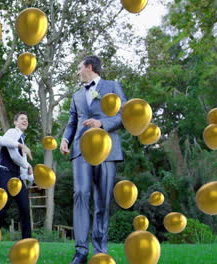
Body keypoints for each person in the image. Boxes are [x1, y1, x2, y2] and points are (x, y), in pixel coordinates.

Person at [60, 55, 127, 264]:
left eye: (79, 68)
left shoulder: (113, 86)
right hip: (81, 150)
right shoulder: (76, 95)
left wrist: (102, 123)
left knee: (102, 200)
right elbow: (72, 122)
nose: (78, 72)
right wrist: (65, 139)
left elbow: (125, 116)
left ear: (89, 67)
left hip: (107, 150)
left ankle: (100, 249)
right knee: (80, 194)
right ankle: (80, 251)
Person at [0, 112, 33, 239]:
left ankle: (27, 242)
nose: (25, 121)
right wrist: (27, 165)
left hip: (16, 177)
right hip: (5, 173)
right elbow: (14, 156)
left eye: (27, 119)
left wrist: (30, 176)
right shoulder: (12, 132)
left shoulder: (22, 138)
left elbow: (22, 164)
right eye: (22, 118)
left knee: (25, 208)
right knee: (0, 209)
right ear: (15, 122)